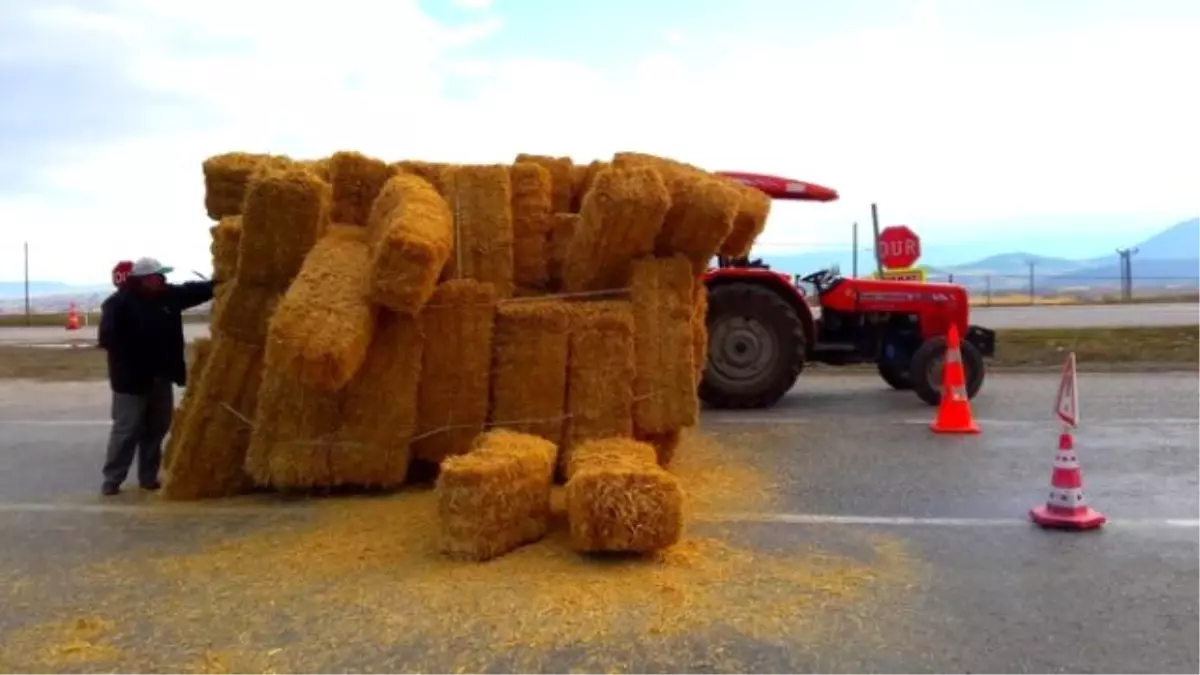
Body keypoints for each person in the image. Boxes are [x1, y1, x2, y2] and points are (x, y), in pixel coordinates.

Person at [97, 257, 216, 496]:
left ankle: (148, 477)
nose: (164, 279)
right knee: (127, 429)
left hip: (161, 377)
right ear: (144, 279)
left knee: (157, 428)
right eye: (158, 276)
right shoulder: (118, 304)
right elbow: (108, 339)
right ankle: (112, 479)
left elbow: (193, 290)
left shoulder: (168, 296)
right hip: (131, 380)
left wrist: (219, 283)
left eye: (163, 276)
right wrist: (138, 354)